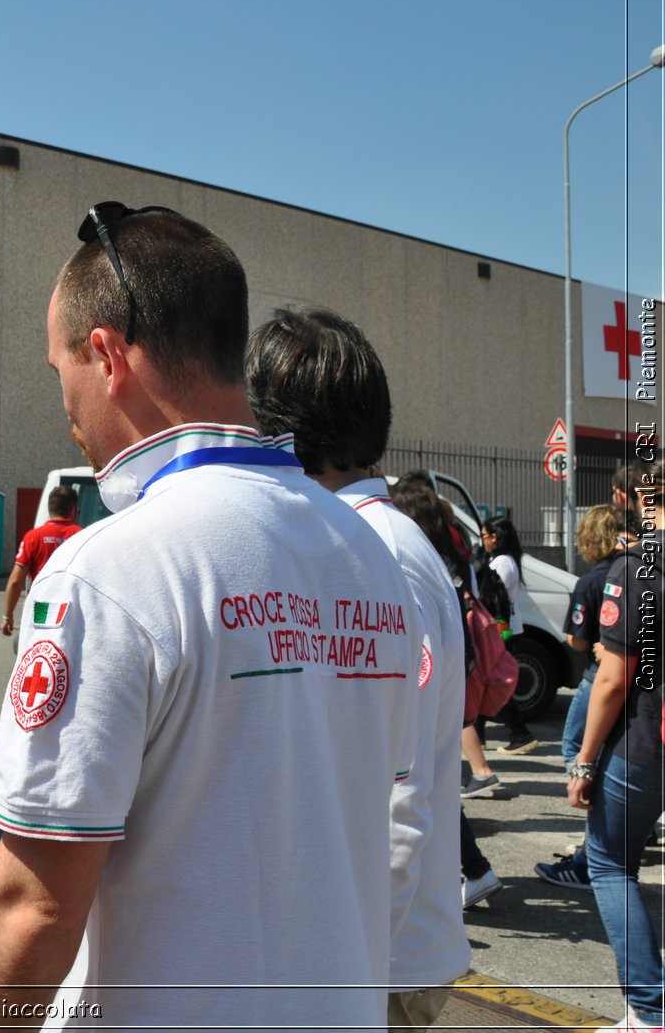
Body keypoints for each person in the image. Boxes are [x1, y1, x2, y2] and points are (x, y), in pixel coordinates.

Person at [0, 204, 419, 1029]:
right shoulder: (369, 552)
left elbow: (33, 905)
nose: (65, 405)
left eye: (60, 371)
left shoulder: (106, 570)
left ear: (105, 355)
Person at [245, 308, 468, 1031]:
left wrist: (346, 967)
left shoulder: (375, 552)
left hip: (377, 963)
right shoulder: (369, 539)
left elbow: (399, 793)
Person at [569, 458, 663, 1033]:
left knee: (608, 864)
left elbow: (611, 679)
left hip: (643, 742)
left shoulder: (636, 570)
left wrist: (582, 761)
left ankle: (651, 1011)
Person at [537, 502, 632, 890]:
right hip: (633, 680)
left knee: (579, 752)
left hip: (602, 676)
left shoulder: (592, 580)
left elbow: (577, 640)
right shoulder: (635, 569)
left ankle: (593, 848)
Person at [475, 514, 538, 754]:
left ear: (496, 537)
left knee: (492, 681)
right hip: (503, 629)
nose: (483, 541)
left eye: (485, 537)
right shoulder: (503, 560)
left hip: (502, 631)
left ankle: (520, 733)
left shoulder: (502, 562)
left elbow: (492, 598)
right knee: (482, 681)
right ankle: (478, 735)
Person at [0, 486, 82, 637]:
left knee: (41, 646)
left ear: (50, 509)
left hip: (42, 606)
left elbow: (15, 581)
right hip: (72, 608)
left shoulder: (33, 537)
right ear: (73, 509)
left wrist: (8, 616)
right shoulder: (82, 536)